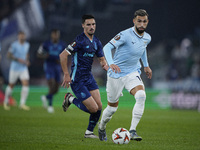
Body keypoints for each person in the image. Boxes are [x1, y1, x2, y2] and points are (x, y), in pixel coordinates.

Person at [98, 9, 152, 141]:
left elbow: (142, 49)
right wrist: (110, 63)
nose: (141, 24)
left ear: (147, 22)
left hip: (132, 72)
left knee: (141, 95)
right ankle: (101, 127)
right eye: (139, 21)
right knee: (111, 109)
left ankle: (133, 130)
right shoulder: (125, 34)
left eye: (144, 21)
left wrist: (146, 65)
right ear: (134, 21)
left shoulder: (147, 37)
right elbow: (106, 47)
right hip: (115, 74)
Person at [59, 14, 108, 138]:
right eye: (88, 25)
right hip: (78, 79)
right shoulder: (79, 41)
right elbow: (63, 55)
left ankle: (89, 133)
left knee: (99, 106)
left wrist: (107, 67)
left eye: (93, 24)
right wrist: (66, 74)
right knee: (93, 109)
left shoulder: (96, 42)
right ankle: (70, 99)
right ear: (83, 26)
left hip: (89, 77)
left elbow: (102, 59)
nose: (92, 27)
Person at [37, 29, 66, 113]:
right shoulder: (46, 44)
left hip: (57, 67)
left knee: (56, 89)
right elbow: (39, 54)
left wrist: (61, 60)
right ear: (52, 35)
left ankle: (46, 97)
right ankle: (50, 106)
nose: (56, 36)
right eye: (54, 34)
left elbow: (65, 55)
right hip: (49, 66)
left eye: (57, 34)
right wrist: (45, 56)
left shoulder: (62, 44)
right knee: (51, 84)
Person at [3, 31, 30, 111]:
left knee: (25, 84)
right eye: (21, 35)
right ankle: (6, 101)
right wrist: (18, 59)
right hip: (14, 68)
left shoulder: (27, 45)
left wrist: (27, 60)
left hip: (23, 68)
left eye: (23, 35)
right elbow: (9, 55)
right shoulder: (14, 45)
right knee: (11, 85)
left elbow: (27, 54)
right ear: (18, 36)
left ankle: (22, 103)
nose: (22, 37)